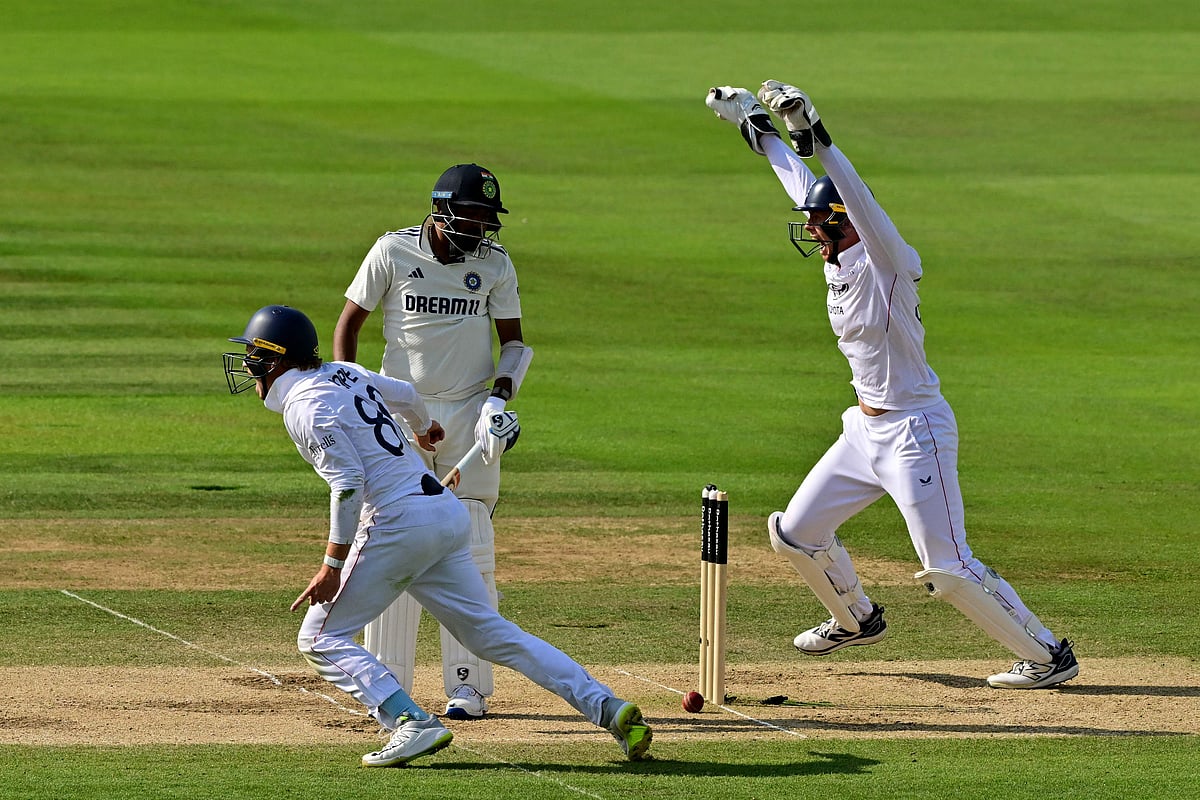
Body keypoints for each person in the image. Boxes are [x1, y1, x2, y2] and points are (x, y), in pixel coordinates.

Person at [704, 82, 1078, 689]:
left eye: (829, 227)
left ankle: (1046, 655)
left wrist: (818, 135)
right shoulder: (837, 255)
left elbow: (859, 202)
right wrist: (756, 125)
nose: (818, 237)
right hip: (865, 429)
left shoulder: (891, 265)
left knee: (947, 569)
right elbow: (803, 187)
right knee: (795, 533)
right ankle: (855, 619)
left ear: (853, 224)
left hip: (915, 432)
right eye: (816, 228)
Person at [222, 305, 652, 766]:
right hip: (442, 516)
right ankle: (607, 707)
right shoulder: (343, 373)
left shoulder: (304, 408)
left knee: (320, 638)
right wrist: (424, 430)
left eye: (255, 355)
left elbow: (347, 485)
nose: (249, 366)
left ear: (277, 359)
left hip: (397, 523)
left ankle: (410, 722)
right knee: (492, 634)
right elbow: (406, 392)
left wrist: (331, 565)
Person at [333, 163, 533, 720]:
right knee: (394, 536)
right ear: (442, 209)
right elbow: (348, 325)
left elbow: (514, 344)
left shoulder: (494, 264)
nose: (480, 228)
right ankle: (387, 684)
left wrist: (498, 399)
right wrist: (351, 394)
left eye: (487, 219)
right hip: (399, 414)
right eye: (471, 215)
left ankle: (468, 686)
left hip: (471, 413)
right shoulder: (393, 251)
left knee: (472, 541)